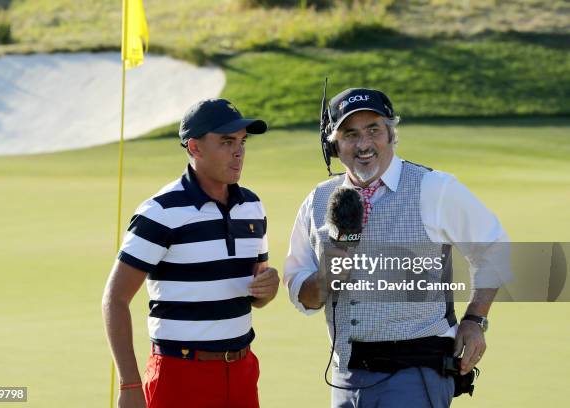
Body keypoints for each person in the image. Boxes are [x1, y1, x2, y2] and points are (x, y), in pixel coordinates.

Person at [284, 87, 511, 407]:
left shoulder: (434, 188)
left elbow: (494, 248)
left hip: (417, 373)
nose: (363, 144)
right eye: (350, 133)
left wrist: (475, 320)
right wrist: (327, 276)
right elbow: (301, 294)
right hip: (346, 378)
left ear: (392, 134)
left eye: (373, 130)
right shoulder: (318, 200)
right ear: (333, 145)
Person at [103, 98, 279, 408]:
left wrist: (269, 288)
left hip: (241, 371)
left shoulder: (252, 206)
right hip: (178, 374)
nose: (239, 151)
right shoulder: (160, 212)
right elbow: (115, 299)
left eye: (242, 141)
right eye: (226, 141)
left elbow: (256, 293)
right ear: (195, 148)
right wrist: (130, 384)